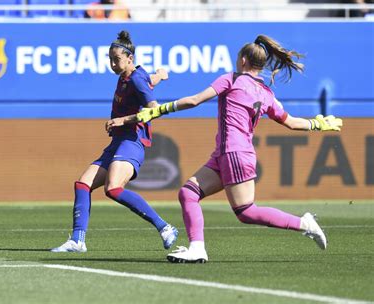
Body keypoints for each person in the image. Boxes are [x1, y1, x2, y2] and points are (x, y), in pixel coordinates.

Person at [126, 34, 343, 263]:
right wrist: (317, 124)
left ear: (242, 61)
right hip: (225, 154)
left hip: (234, 153)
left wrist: (159, 110)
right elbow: (290, 121)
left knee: (246, 211)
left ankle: (304, 223)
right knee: (188, 193)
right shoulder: (267, 94)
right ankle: (197, 248)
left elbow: (195, 100)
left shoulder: (231, 79)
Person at [51, 30, 178, 253]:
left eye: (116, 59)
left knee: (113, 188)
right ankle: (77, 240)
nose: (112, 64)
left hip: (132, 140)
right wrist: (159, 76)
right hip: (118, 142)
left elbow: (154, 110)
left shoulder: (136, 78)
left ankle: (165, 227)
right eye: (110, 59)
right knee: (83, 184)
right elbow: (147, 83)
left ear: (130, 58)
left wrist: (122, 120)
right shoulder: (128, 76)